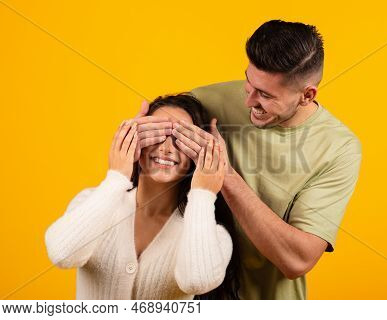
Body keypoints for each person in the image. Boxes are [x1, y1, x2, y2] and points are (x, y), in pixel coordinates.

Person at [136, 20, 362, 299]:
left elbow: (298, 261)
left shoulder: (339, 148)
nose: (248, 101)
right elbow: (154, 162)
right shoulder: (209, 100)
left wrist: (225, 175)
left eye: (265, 95)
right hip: (191, 293)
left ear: (307, 95)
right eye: (248, 83)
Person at [45, 94, 241, 299]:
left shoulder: (214, 234)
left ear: (197, 155)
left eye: (181, 139)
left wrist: (203, 193)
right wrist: (117, 176)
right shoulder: (91, 201)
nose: (166, 148)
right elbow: (62, 254)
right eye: (157, 134)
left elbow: (196, 280)